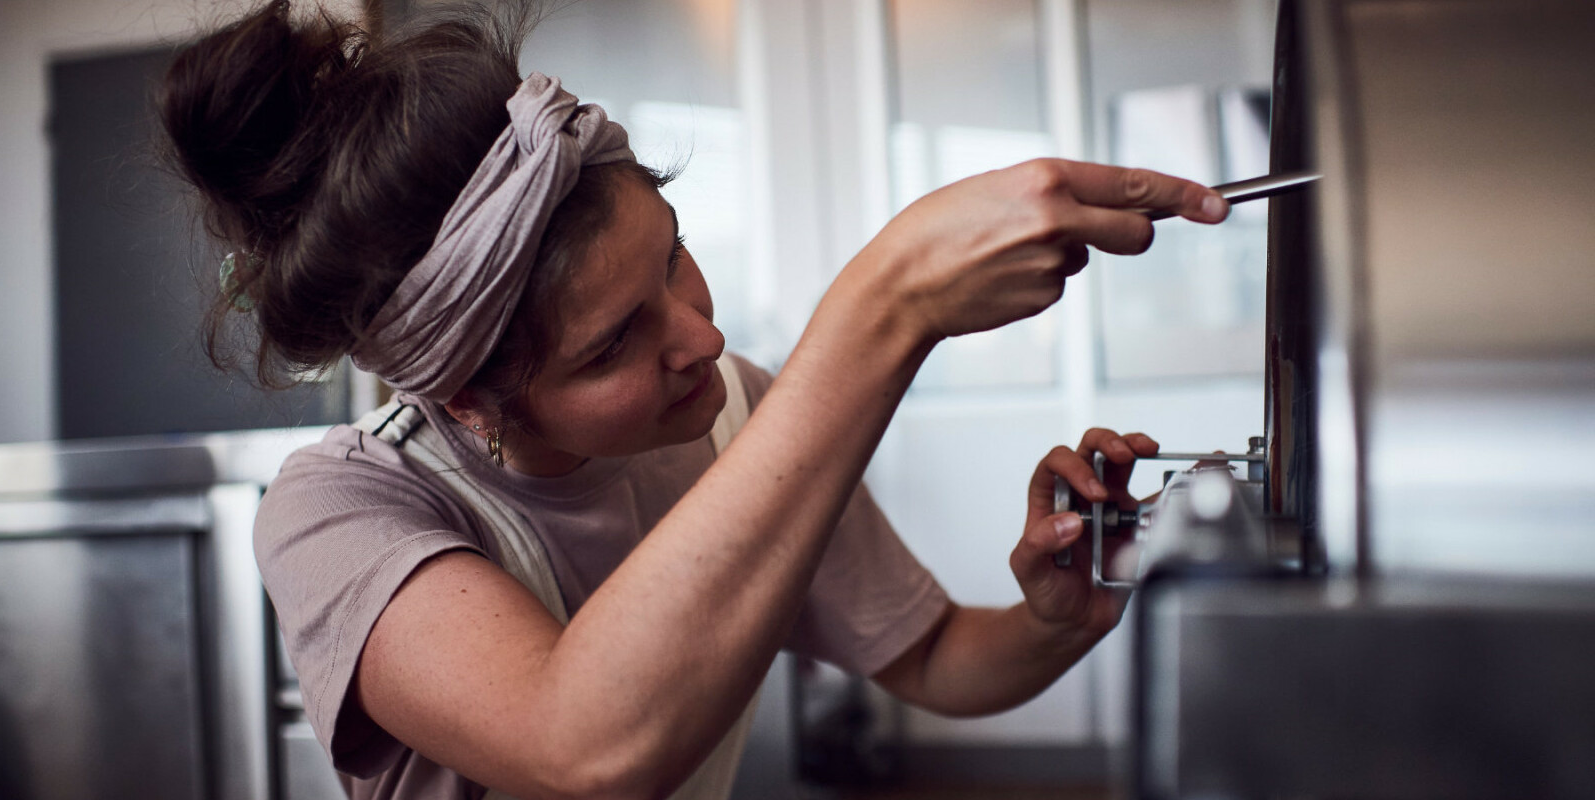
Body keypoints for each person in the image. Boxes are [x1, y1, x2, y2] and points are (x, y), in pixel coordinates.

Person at [159, 2, 1227, 798]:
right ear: (474, 393)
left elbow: (936, 655)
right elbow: (580, 744)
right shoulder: (339, 511)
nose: (702, 338)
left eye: (673, 259)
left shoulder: (729, 413)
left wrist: (1058, 612)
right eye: (616, 341)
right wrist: (884, 308)